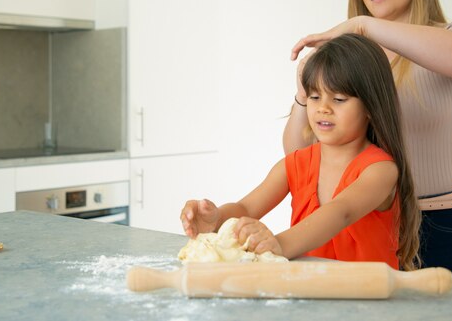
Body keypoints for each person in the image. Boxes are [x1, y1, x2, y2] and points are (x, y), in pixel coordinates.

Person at [285, 0, 452, 284]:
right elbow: (300, 151)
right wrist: (305, 93)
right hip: (363, 222)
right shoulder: (353, 62)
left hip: (443, 224)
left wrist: (363, 25)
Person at [181, 34, 422, 270]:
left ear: (370, 105)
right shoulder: (295, 164)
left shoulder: (380, 170)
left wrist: (279, 243)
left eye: (339, 99)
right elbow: (246, 208)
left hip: (367, 302)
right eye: (315, 97)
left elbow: (342, 213)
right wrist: (216, 220)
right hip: (310, 299)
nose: (323, 108)